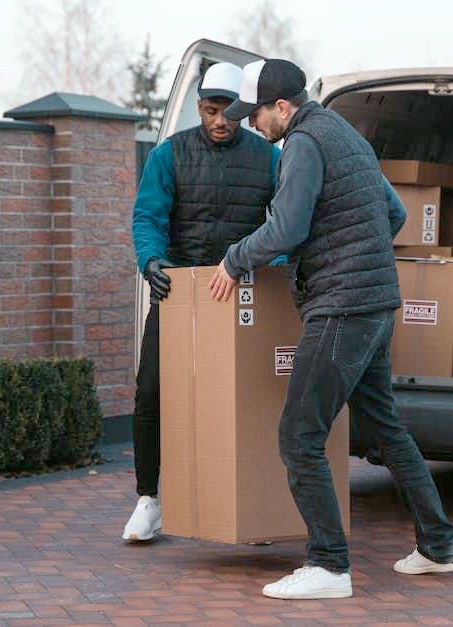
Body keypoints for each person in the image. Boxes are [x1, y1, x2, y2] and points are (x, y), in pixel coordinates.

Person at [208, 58, 453, 600]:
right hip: (374, 302)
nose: (250, 124)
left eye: (254, 113)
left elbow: (289, 226)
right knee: (386, 428)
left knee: (299, 437)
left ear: (282, 106)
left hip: (342, 306)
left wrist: (235, 259)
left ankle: (328, 566)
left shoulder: (302, 142)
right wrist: (353, 246)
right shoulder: (346, 135)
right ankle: (440, 547)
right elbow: (392, 214)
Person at [124, 62, 281, 542]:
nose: (220, 122)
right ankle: (148, 500)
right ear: (199, 107)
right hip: (179, 291)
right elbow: (147, 216)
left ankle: (251, 500)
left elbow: (286, 219)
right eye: (211, 111)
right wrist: (150, 262)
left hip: (241, 292)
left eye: (229, 114)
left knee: (245, 399)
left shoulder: (269, 157)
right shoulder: (169, 154)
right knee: (151, 392)